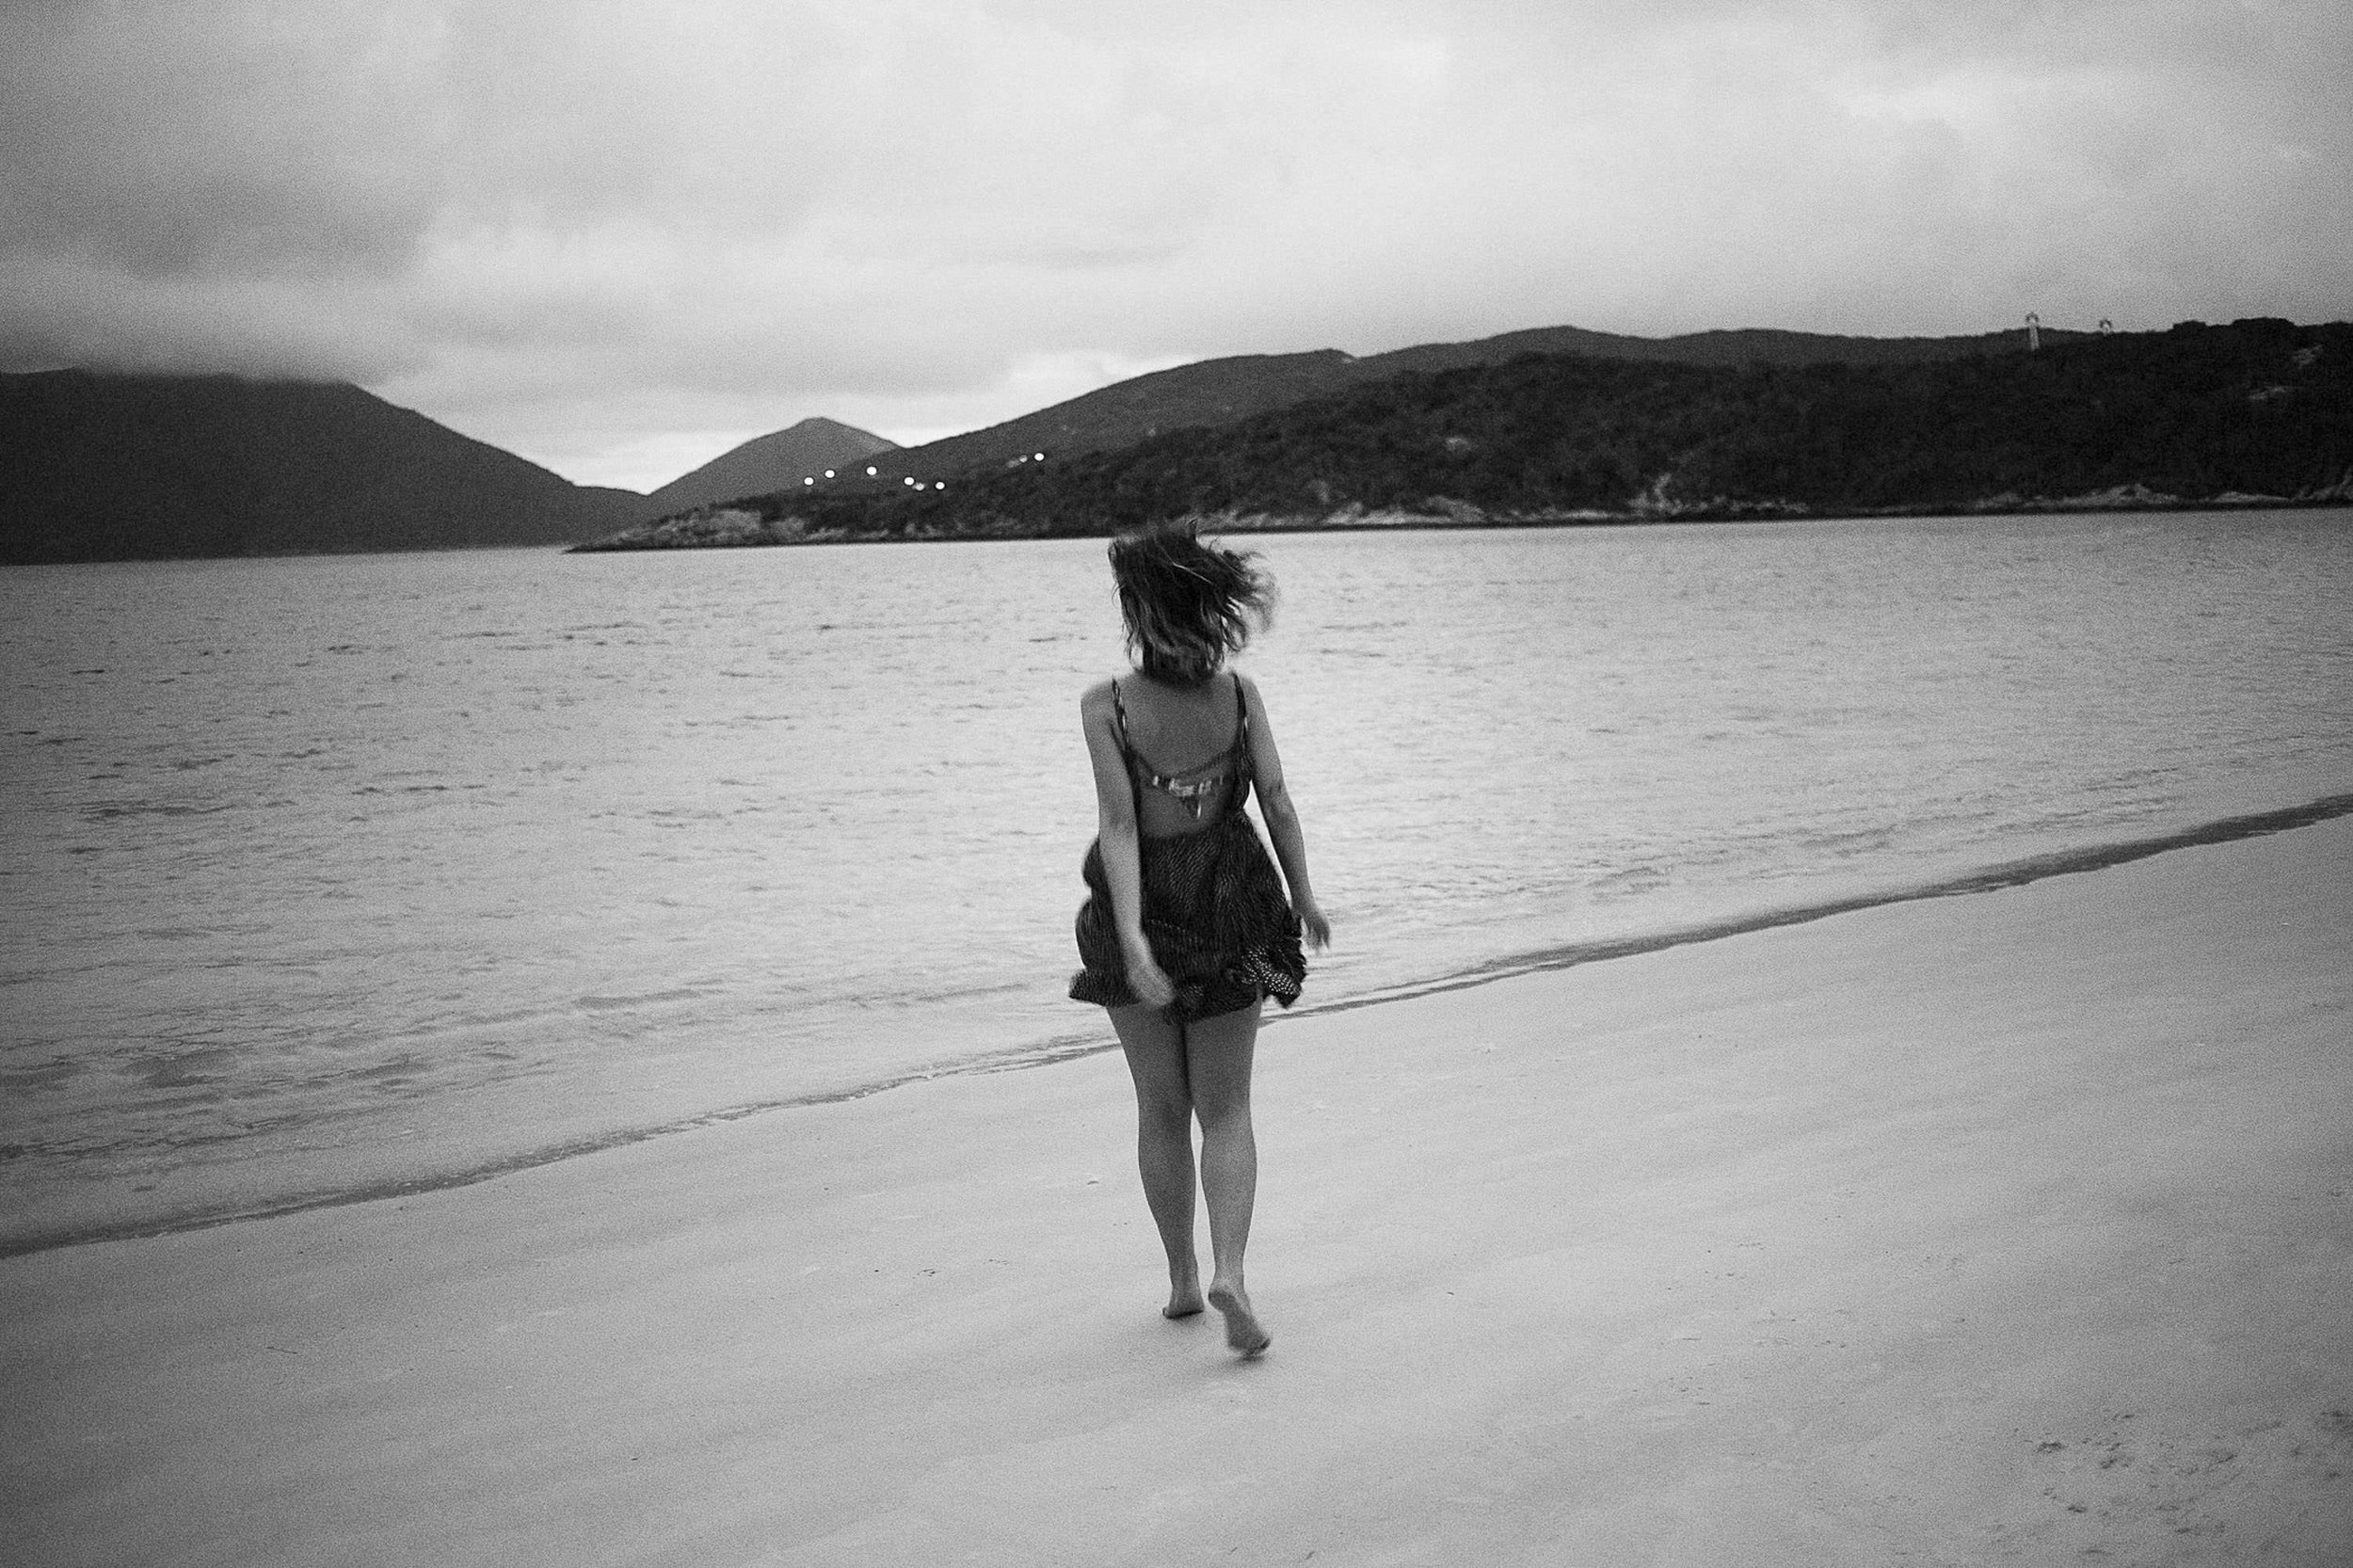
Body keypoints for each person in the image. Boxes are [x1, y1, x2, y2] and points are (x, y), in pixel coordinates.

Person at [1069, 523, 1331, 1357]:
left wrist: (1133, 939)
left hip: (1139, 906)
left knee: (1160, 1107)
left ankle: (1183, 1280)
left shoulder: (1106, 706)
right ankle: (1232, 1273)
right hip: (1233, 905)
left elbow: (1119, 825)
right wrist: (1304, 896)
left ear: (1139, 613)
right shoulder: (1241, 697)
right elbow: (1276, 800)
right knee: (1227, 1108)